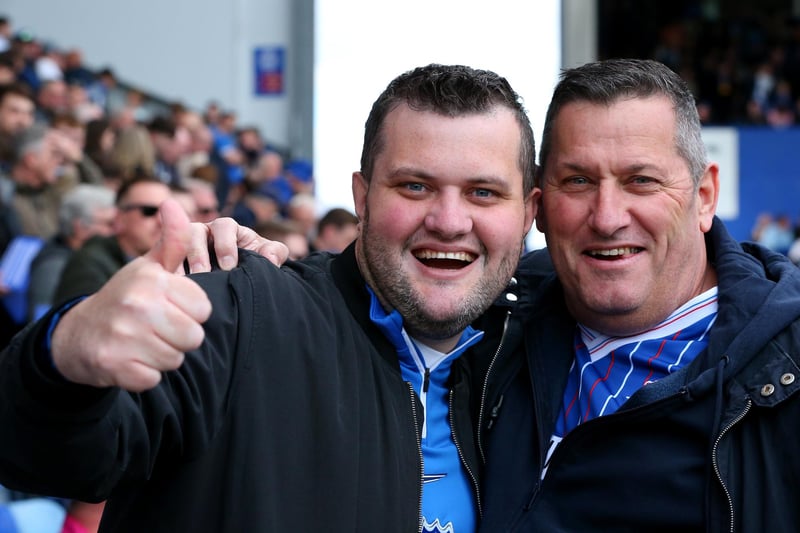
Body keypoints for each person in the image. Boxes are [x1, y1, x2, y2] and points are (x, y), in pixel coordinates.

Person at [0, 64, 537, 532]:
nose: (448, 221)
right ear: (362, 197)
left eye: (483, 192)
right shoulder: (238, 310)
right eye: (415, 186)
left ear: (528, 214)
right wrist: (64, 356)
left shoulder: (538, 356)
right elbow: (46, 455)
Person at [476, 58, 800, 532]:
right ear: (540, 206)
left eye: (641, 181)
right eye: (579, 181)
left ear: (704, 196)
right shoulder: (487, 331)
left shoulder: (786, 372)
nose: (607, 218)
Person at [53, 174, 171, 303]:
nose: (161, 221)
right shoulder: (89, 263)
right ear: (119, 218)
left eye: (168, 213)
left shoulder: (175, 263)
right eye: (149, 211)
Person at [27, 183, 115, 321]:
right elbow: (40, 323)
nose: (114, 231)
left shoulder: (95, 258)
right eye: (109, 224)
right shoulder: (52, 267)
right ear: (80, 227)